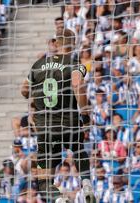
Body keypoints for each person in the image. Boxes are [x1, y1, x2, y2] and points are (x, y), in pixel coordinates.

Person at [20, 29, 91, 199]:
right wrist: (85, 112)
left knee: (45, 173)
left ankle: (57, 199)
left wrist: (35, 100)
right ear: (73, 44)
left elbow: (24, 90)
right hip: (68, 121)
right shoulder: (75, 63)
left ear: (56, 43)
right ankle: (87, 186)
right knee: (78, 150)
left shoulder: (38, 64)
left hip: (45, 125)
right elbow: (78, 84)